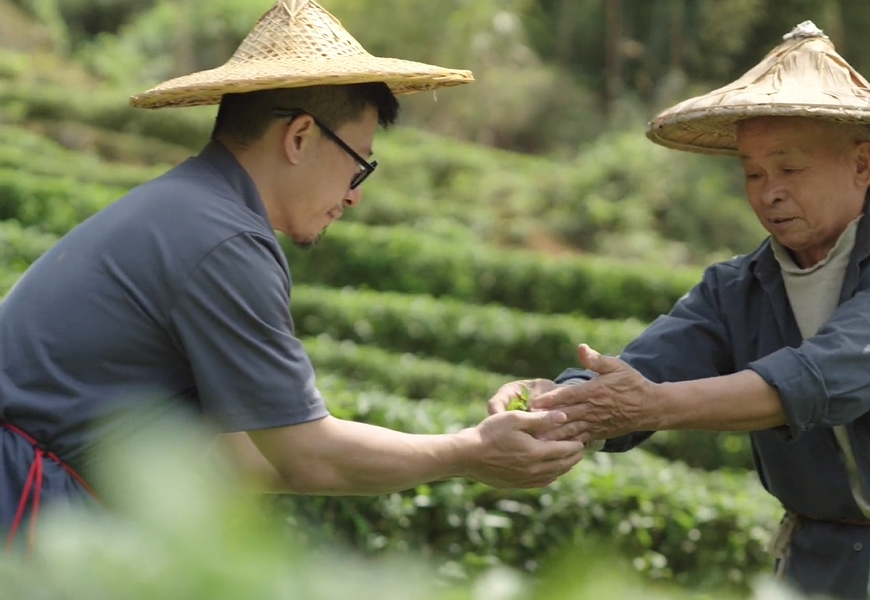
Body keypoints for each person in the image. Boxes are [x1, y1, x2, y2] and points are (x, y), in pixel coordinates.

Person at [0, 0, 583, 553]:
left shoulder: (193, 205)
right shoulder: (225, 240)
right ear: (300, 137)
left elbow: (245, 453)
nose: (354, 196)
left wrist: (463, 450)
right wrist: (465, 453)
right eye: (359, 163)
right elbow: (307, 453)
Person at [490, 21, 870, 600]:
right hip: (818, 568)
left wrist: (655, 406)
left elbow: (820, 379)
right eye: (753, 173)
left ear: (862, 165)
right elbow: (646, 368)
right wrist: (551, 400)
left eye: (790, 170)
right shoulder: (737, 287)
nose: (768, 192)